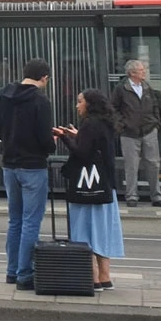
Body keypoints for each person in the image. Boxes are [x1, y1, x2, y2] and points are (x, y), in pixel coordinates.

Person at [0, 59, 55, 292]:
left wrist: (11, 141)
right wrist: (52, 144)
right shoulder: (40, 100)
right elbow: (44, 138)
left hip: (9, 164)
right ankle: (25, 274)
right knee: (31, 221)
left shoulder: (3, 95)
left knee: (15, 220)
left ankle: (12, 271)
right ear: (44, 77)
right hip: (33, 166)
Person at [54, 89, 123, 290]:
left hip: (87, 189)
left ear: (90, 104)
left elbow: (83, 154)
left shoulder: (90, 124)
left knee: (85, 232)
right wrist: (78, 135)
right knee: (102, 232)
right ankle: (105, 276)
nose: (77, 106)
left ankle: (92, 278)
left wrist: (65, 138)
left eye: (80, 101)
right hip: (105, 187)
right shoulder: (106, 124)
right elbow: (96, 148)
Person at [108, 59, 161, 206]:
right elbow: (113, 109)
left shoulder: (147, 87)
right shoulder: (121, 89)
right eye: (141, 70)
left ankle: (157, 197)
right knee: (131, 165)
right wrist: (122, 125)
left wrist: (156, 123)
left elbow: (155, 105)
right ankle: (132, 197)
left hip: (148, 130)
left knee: (153, 164)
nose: (144, 72)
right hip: (129, 133)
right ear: (132, 73)